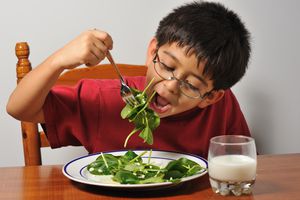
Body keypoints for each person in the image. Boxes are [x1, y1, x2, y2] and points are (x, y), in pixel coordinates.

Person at [7, 1, 251, 158]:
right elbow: (18, 108)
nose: (170, 86)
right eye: (166, 66)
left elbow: (241, 165)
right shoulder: (104, 99)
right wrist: (58, 61)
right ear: (152, 51)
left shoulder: (223, 106)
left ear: (210, 97)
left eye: (191, 85)